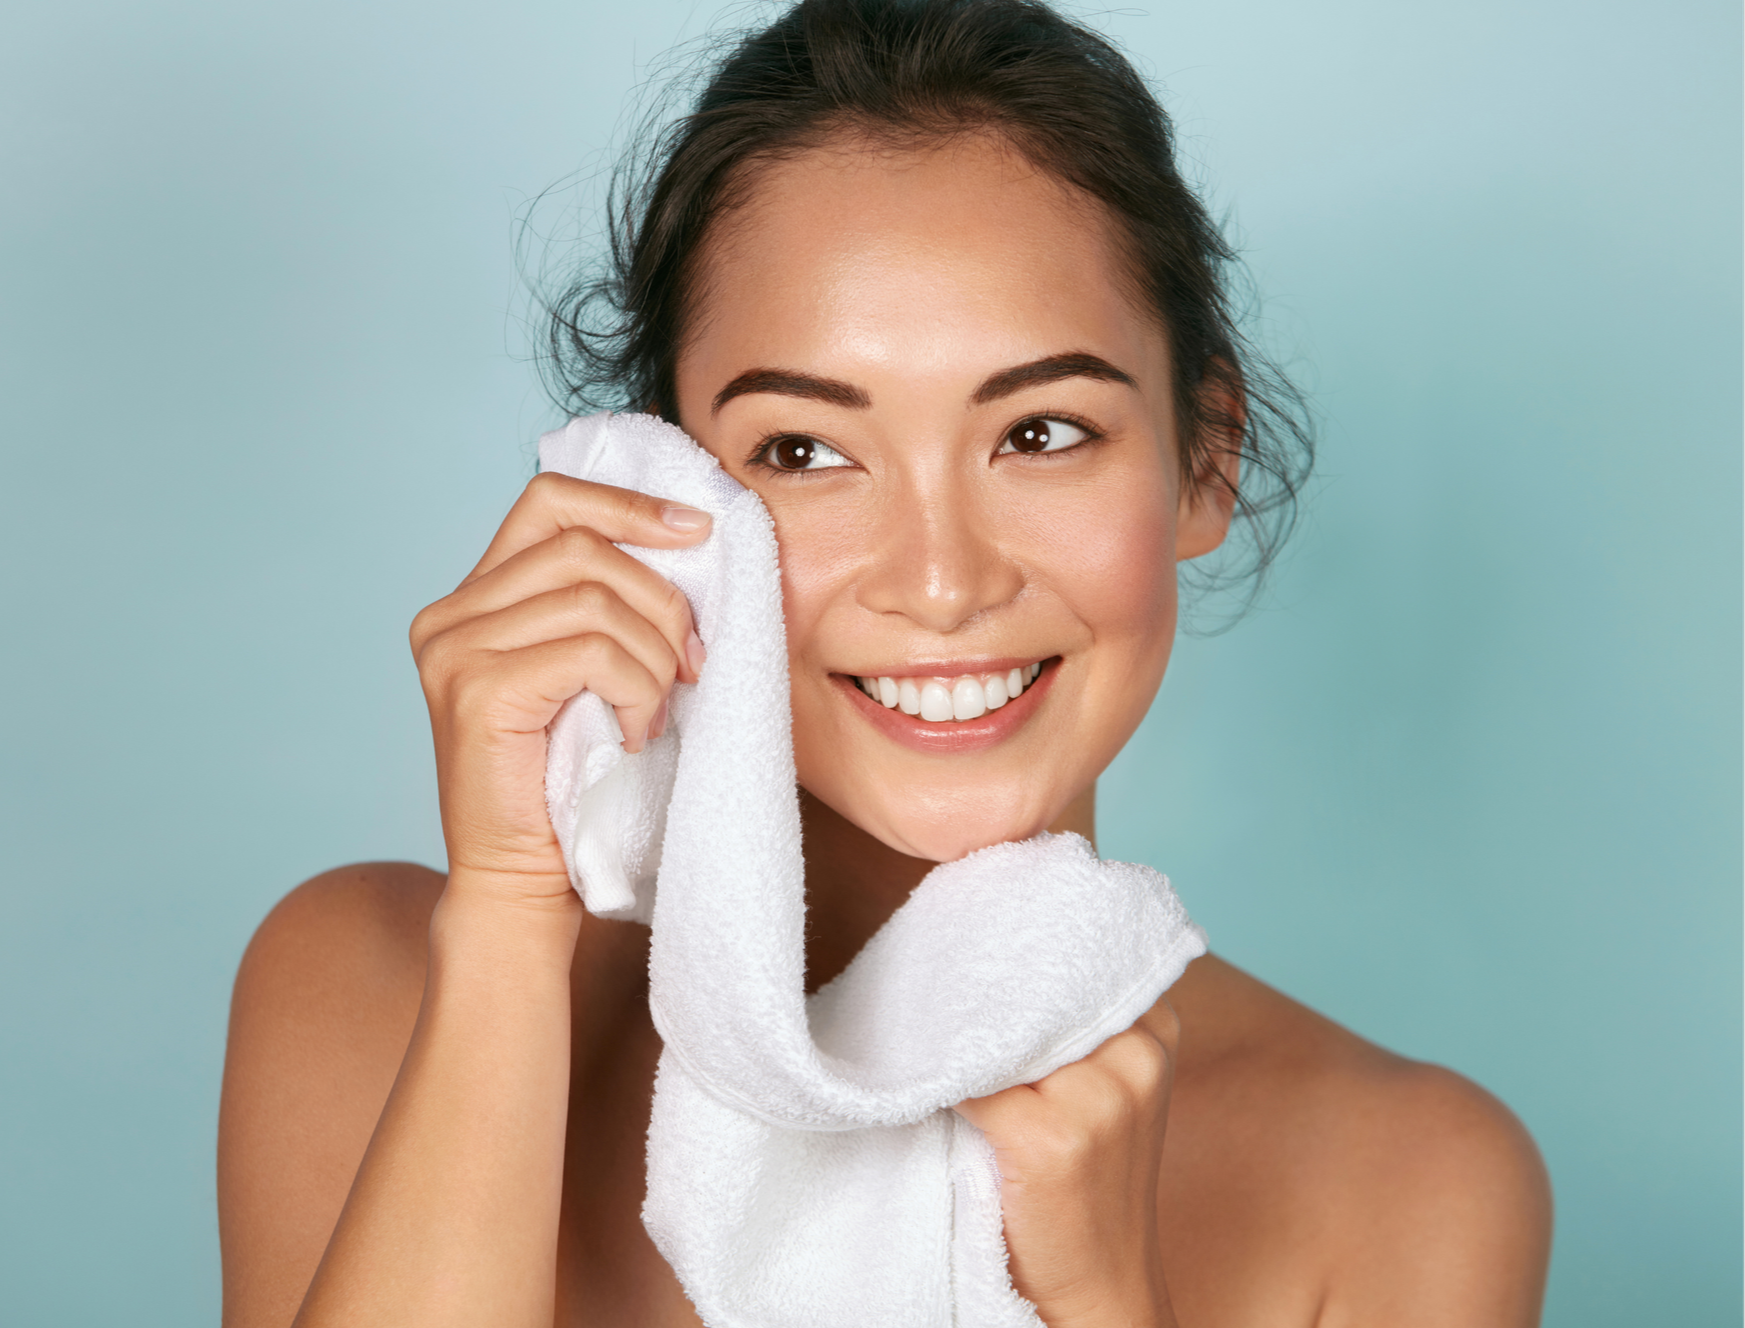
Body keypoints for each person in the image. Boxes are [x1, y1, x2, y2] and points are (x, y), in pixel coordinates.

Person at [216, 1, 1552, 1323]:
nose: (943, 580)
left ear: (1205, 459)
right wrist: (509, 923)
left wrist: (1107, 1305)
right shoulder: (375, 990)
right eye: (803, 451)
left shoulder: (1408, 1182)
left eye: (1040, 432)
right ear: (663, 490)